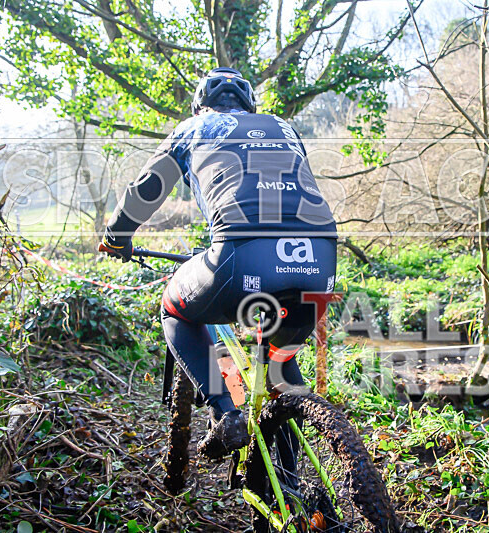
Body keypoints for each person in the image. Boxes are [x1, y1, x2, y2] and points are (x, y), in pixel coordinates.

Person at [98, 67, 337, 459]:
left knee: (174, 311)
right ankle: (294, 481)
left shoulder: (196, 126)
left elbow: (147, 189)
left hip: (239, 254)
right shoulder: (284, 127)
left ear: (201, 103)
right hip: (320, 257)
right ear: (249, 104)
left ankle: (224, 411)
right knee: (279, 361)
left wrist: (117, 237)